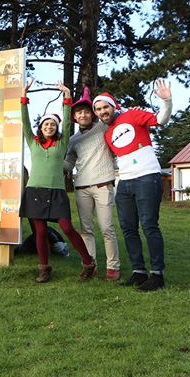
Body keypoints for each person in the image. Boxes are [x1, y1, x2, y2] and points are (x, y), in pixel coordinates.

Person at [93, 80, 173, 291]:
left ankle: (157, 275)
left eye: (105, 107)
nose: (102, 112)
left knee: (149, 225)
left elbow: (161, 120)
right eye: (98, 109)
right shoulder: (107, 134)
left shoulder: (133, 115)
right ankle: (139, 272)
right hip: (125, 182)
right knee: (128, 228)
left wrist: (166, 101)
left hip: (147, 177)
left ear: (114, 106)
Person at [21, 81, 96, 283]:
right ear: (41, 127)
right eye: (46, 124)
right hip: (35, 191)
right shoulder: (33, 142)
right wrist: (24, 97)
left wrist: (67, 96)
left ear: (56, 128)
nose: (49, 126)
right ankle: (44, 269)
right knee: (40, 232)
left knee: (67, 228)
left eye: (53, 124)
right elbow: (25, 121)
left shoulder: (62, 143)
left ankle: (88, 262)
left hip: (57, 192)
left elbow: (67, 123)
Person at [64, 87, 121, 280]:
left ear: (93, 113)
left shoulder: (103, 127)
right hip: (82, 188)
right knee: (86, 230)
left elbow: (117, 118)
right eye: (79, 112)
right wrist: (51, 162)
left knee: (107, 228)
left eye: (87, 111)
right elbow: (69, 163)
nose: (83, 115)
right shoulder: (73, 140)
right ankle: (91, 265)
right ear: (74, 117)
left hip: (103, 185)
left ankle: (113, 267)